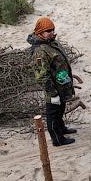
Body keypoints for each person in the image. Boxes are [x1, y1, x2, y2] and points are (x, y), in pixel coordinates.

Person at [29, 17, 77, 146]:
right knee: (53, 113)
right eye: (48, 30)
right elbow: (41, 75)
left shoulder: (51, 42)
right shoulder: (39, 50)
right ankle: (57, 139)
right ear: (40, 32)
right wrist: (53, 93)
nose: (51, 32)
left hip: (61, 85)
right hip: (53, 88)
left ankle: (62, 129)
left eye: (52, 29)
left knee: (60, 109)